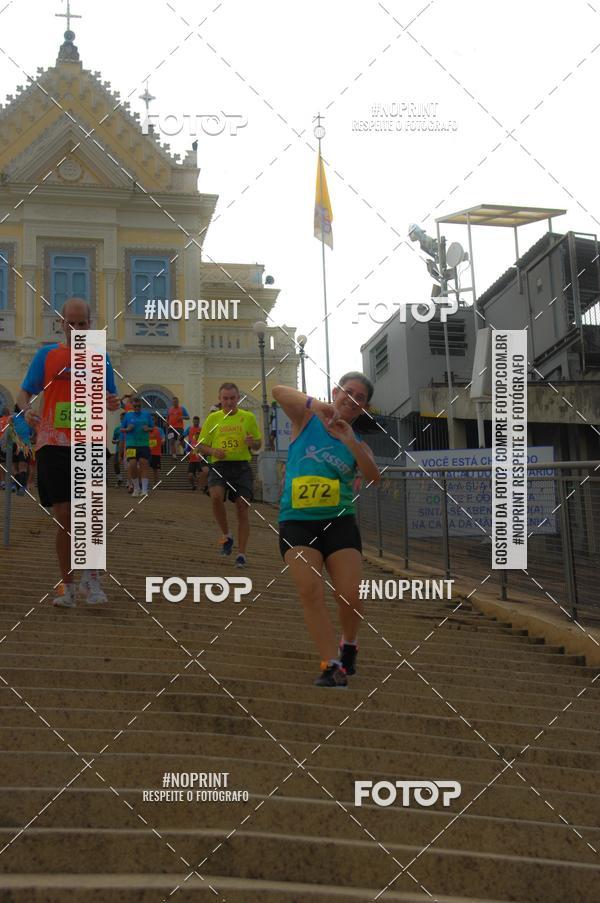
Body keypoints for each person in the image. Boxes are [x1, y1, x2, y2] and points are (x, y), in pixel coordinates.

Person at [272, 373, 380, 688]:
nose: (352, 399)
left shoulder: (358, 443)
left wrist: (349, 440)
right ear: (336, 392)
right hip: (297, 520)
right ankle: (331, 664)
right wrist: (316, 404)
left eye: (360, 397)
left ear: (364, 407)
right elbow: (278, 390)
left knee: (349, 594)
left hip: (340, 521)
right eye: (348, 392)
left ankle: (349, 644)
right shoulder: (306, 417)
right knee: (310, 591)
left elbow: (374, 477)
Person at [17, 297, 119, 607]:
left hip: (89, 441)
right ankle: (68, 587)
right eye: (71, 323)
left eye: (82, 324)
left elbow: (110, 397)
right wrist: (27, 410)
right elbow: (24, 393)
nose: (76, 329)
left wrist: (112, 403)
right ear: (62, 324)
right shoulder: (46, 355)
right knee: (64, 517)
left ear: (91, 324)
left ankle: (92, 580)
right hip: (52, 444)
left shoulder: (100, 357)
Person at [197, 383, 262, 567]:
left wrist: (252, 442)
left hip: (241, 466)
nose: (229, 402)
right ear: (220, 399)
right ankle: (226, 534)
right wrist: (213, 450)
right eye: (225, 398)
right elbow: (200, 446)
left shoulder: (248, 417)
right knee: (216, 497)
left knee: (242, 507)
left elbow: (257, 444)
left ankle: (241, 554)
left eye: (232, 398)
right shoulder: (213, 419)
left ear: (237, 398)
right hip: (219, 465)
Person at [121, 397, 153, 497]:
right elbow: (121, 429)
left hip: (143, 444)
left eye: (138, 406)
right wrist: (128, 429)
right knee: (132, 465)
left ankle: (144, 490)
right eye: (135, 406)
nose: (137, 407)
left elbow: (152, 428)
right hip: (131, 444)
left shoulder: (146, 415)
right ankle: (136, 488)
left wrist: (148, 428)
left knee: (144, 464)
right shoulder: (128, 415)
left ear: (141, 405)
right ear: (132, 406)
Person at [184, 416, 202, 490]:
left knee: (200, 475)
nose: (195, 422)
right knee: (190, 476)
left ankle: (200, 486)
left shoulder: (202, 429)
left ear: (199, 422)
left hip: (200, 459)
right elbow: (183, 436)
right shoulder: (189, 429)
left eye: (197, 421)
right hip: (192, 458)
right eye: (194, 421)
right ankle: (193, 485)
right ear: (193, 421)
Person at [148, 414, 165, 487]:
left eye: (153, 419)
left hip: (156, 453)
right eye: (150, 419)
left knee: (156, 469)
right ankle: (147, 484)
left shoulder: (159, 430)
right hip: (147, 453)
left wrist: (161, 442)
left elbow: (163, 439)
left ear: (156, 420)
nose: (152, 420)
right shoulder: (147, 429)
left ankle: (156, 484)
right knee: (146, 468)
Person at [112, 412, 125, 487]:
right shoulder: (117, 429)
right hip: (118, 450)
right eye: (121, 418)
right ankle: (120, 479)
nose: (122, 419)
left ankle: (129, 482)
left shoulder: (130, 428)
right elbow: (113, 440)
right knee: (115, 464)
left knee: (128, 466)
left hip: (127, 449)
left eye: (123, 418)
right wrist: (117, 441)